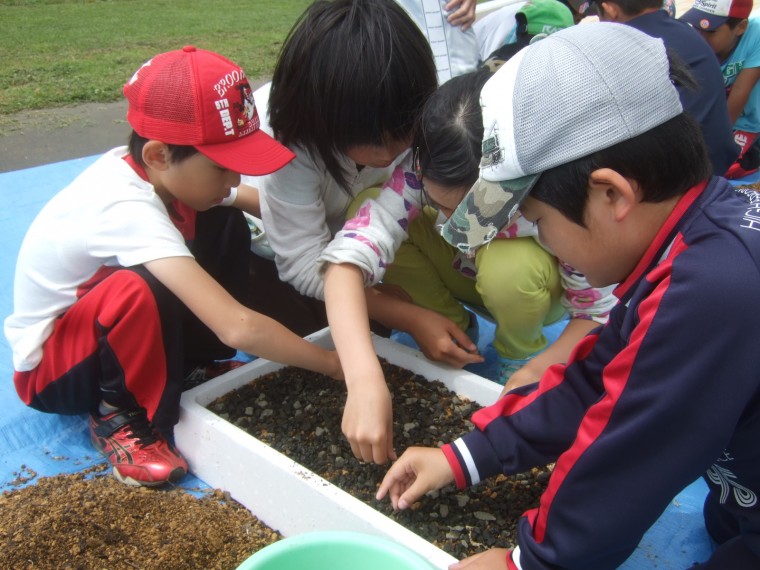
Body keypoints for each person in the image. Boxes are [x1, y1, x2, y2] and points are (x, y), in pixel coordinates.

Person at [377, 23, 760, 570]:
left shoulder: (711, 291)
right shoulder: (693, 243)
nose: (544, 240)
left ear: (612, 194)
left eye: (536, 220)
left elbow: (627, 459)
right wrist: (466, 455)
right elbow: (600, 380)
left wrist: (527, 564)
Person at [4, 47, 343, 488]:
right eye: (224, 167)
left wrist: (332, 242)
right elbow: (238, 328)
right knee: (140, 287)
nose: (235, 179)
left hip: (103, 339)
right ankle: (118, 416)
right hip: (56, 370)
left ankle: (189, 366)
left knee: (222, 218)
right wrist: (334, 364)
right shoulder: (123, 207)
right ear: (159, 155)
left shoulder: (167, 177)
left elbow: (255, 204)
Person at [246, 0, 486, 466]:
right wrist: (394, 323)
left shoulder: (411, 110)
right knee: (311, 326)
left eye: (403, 134)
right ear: (320, 123)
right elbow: (303, 261)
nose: (393, 151)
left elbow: (375, 225)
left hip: (368, 239)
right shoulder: (286, 143)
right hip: (296, 246)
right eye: (374, 140)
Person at [320, 65, 614, 408]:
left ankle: (516, 353)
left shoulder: (557, 202)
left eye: (472, 214)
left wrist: (532, 371)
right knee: (366, 204)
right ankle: (455, 330)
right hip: (465, 273)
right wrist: (363, 379)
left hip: (528, 288)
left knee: (509, 266)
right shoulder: (421, 171)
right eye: (439, 204)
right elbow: (354, 247)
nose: (452, 224)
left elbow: (595, 311)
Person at [570, 0, 740, 176]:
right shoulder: (686, 32)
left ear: (610, 10)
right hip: (715, 159)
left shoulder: (623, 42)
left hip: (679, 173)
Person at [681, 0, 760, 179]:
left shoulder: (756, 35)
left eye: (710, 31)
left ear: (741, 27)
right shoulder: (692, 43)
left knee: (724, 169)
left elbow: (741, 91)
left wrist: (717, 141)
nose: (700, 37)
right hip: (708, 117)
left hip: (743, 121)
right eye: (695, 27)